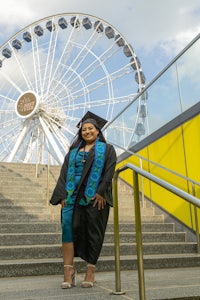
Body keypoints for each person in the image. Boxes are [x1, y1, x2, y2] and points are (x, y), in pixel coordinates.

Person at [50, 111, 117, 289]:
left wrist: (102, 192)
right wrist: (62, 194)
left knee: (93, 231)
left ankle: (90, 272)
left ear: (97, 131)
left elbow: (109, 172)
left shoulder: (107, 149)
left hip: (94, 195)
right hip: (71, 195)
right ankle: (68, 271)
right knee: (67, 230)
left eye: (90, 129)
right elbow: (64, 174)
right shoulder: (72, 152)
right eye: (84, 129)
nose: (87, 131)